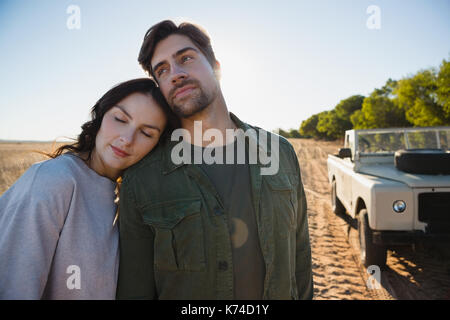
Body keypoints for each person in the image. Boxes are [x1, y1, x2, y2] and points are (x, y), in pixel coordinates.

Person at [116, 20, 313, 300]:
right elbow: (135, 289)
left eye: (185, 58)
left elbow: (301, 258)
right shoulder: (143, 177)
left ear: (217, 67)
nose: (175, 74)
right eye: (162, 70)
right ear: (159, 87)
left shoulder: (279, 152)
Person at [0, 78, 178, 299]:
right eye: (120, 119)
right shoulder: (54, 180)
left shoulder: (130, 201)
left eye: (147, 133)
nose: (127, 139)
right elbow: (13, 288)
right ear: (101, 116)